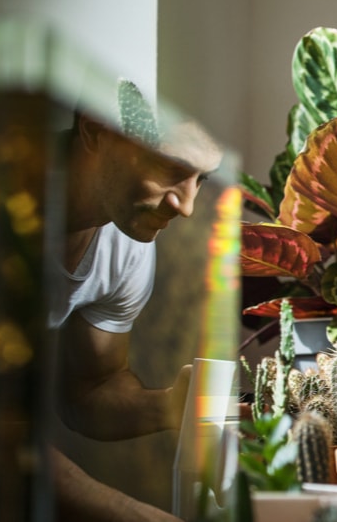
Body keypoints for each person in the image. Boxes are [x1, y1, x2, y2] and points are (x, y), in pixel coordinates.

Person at [50, 113, 221, 521]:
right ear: (94, 129)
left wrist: (165, 408)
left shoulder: (126, 244)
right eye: (171, 169)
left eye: (201, 179)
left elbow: (91, 388)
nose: (187, 206)